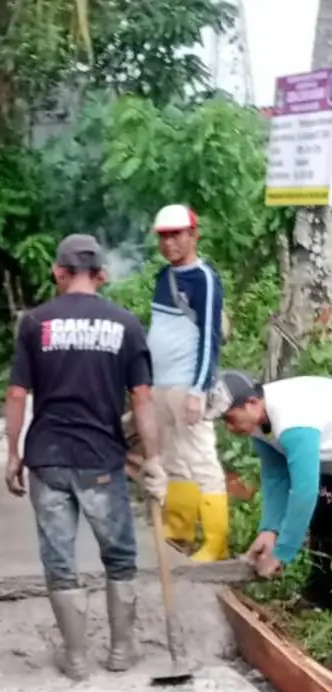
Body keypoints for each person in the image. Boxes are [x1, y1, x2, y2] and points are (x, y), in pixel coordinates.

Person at [4, 233, 166, 679]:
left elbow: (17, 394)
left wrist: (12, 453)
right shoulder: (126, 325)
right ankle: (120, 651)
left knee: (59, 557)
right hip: (100, 460)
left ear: (58, 271)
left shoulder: (35, 323)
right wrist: (152, 460)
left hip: (48, 459)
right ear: (102, 274)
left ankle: (75, 658)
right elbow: (143, 399)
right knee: (118, 556)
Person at [147, 204, 227, 562]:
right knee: (173, 459)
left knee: (201, 459)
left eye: (176, 235)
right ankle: (179, 530)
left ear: (193, 235)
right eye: (163, 237)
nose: (169, 244)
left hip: (187, 385)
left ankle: (215, 541)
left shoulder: (205, 279)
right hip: (160, 385)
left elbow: (210, 337)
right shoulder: (163, 277)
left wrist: (198, 390)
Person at [211, 369, 332, 603]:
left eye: (230, 418)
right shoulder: (259, 421)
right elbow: (276, 476)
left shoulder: (293, 422)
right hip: (327, 459)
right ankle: (321, 596)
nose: (229, 428)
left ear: (252, 403)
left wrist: (282, 552)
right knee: (323, 522)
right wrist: (270, 530)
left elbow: (304, 491)